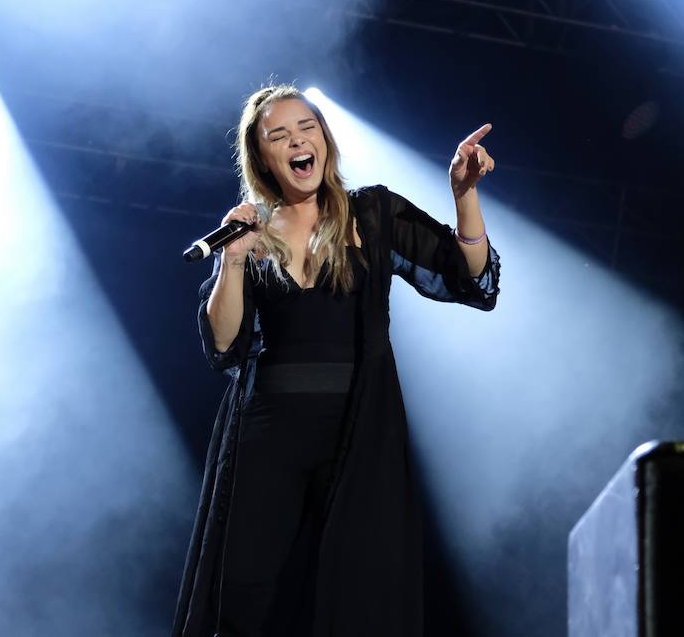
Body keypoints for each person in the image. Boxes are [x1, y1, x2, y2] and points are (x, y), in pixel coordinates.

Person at [172, 84, 500, 637]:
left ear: (324, 139)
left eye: (308, 128)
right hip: (266, 436)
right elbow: (223, 345)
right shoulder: (251, 234)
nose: (298, 141)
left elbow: (470, 279)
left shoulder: (373, 212)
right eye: (279, 135)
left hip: (358, 430)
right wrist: (231, 262)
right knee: (248, 596)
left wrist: (464, 194)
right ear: (262, 158)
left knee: (353, 594)